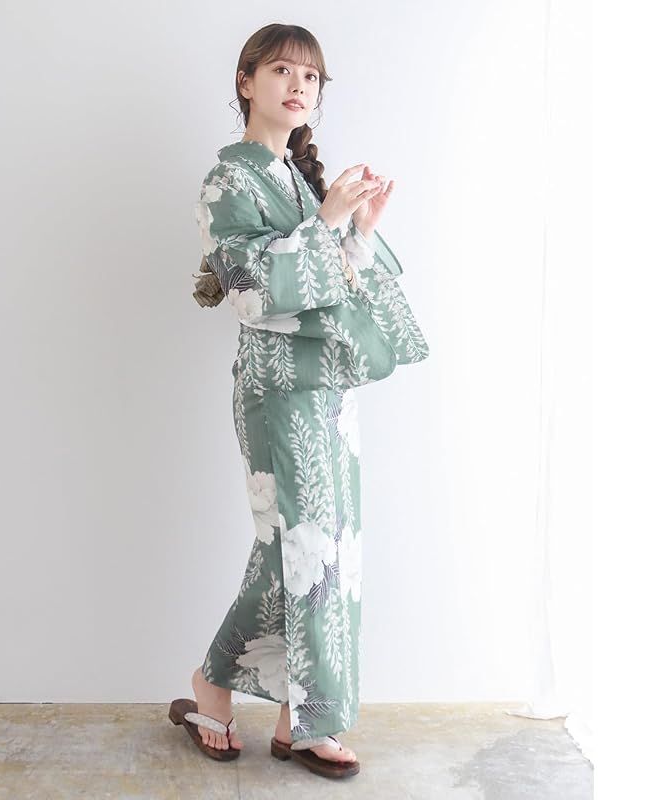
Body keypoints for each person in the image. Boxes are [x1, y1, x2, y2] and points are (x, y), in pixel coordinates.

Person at [169, 22, 429, 779]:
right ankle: (260, 699)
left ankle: (288, 710)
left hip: (327, 393)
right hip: (276, 389)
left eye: (310, 77)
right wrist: (327, 224)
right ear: (246, 81)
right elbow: (252, 293)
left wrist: (358, 233)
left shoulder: (301, 180)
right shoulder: (228, 182)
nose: (297, 86)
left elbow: (336, 286)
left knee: (329, 550)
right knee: (301, 546)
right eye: (282, 70)